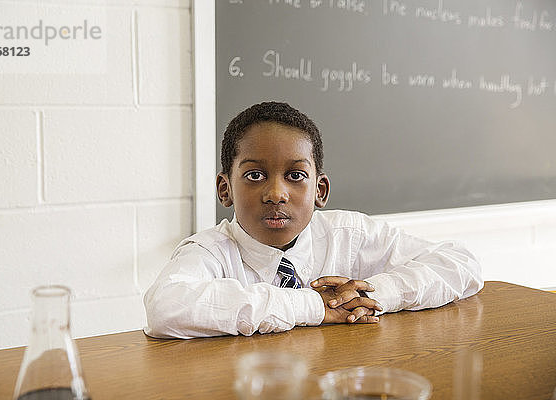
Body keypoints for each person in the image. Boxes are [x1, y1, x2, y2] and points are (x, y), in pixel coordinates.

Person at [143, 101, 483, 339]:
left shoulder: (347, 234)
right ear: (225, 188)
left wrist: (371, 295)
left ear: (320, 190)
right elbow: (166, 307)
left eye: (295, 175)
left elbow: (461, 263)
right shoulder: (211, 252)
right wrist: (312, 306)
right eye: (255, 175)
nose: (276, 193)